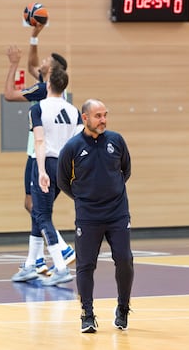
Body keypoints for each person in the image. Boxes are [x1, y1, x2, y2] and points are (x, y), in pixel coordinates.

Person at [57, 99, 134, 332]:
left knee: (124, 259)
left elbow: (125, 170)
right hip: (88, 216)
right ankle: (87, 314)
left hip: (118, 213)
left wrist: (112, 194)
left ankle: (123, 307)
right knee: (86, 265)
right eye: (98, 116)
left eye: (105, 115)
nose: (103, 120)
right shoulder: (71, 148)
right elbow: (62, 182)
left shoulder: (116, 141)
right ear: (85, 118)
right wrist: (84, 199)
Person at [4, 24, 75, 276]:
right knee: (31, 205)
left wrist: (14, 63)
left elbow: (9, 94)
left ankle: (62, 251)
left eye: (46, 60)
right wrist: (33, 36)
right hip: (55, 158)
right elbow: (34, 63)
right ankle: (34, 262)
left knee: (38, 209)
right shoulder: (55, 91)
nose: (40, 61)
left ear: (52, 70)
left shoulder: (42, 92)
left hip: (40, 157)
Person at [12, 66, 83, 286]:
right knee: (39, 214)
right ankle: (30, 265)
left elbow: (40, 142)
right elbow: (79, 144)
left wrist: (41, 170)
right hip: (65, 166)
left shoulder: (39, 108)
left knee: (41, 215)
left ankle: (61, 267)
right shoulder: (74, 111)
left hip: (45, 162)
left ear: (48, 85)